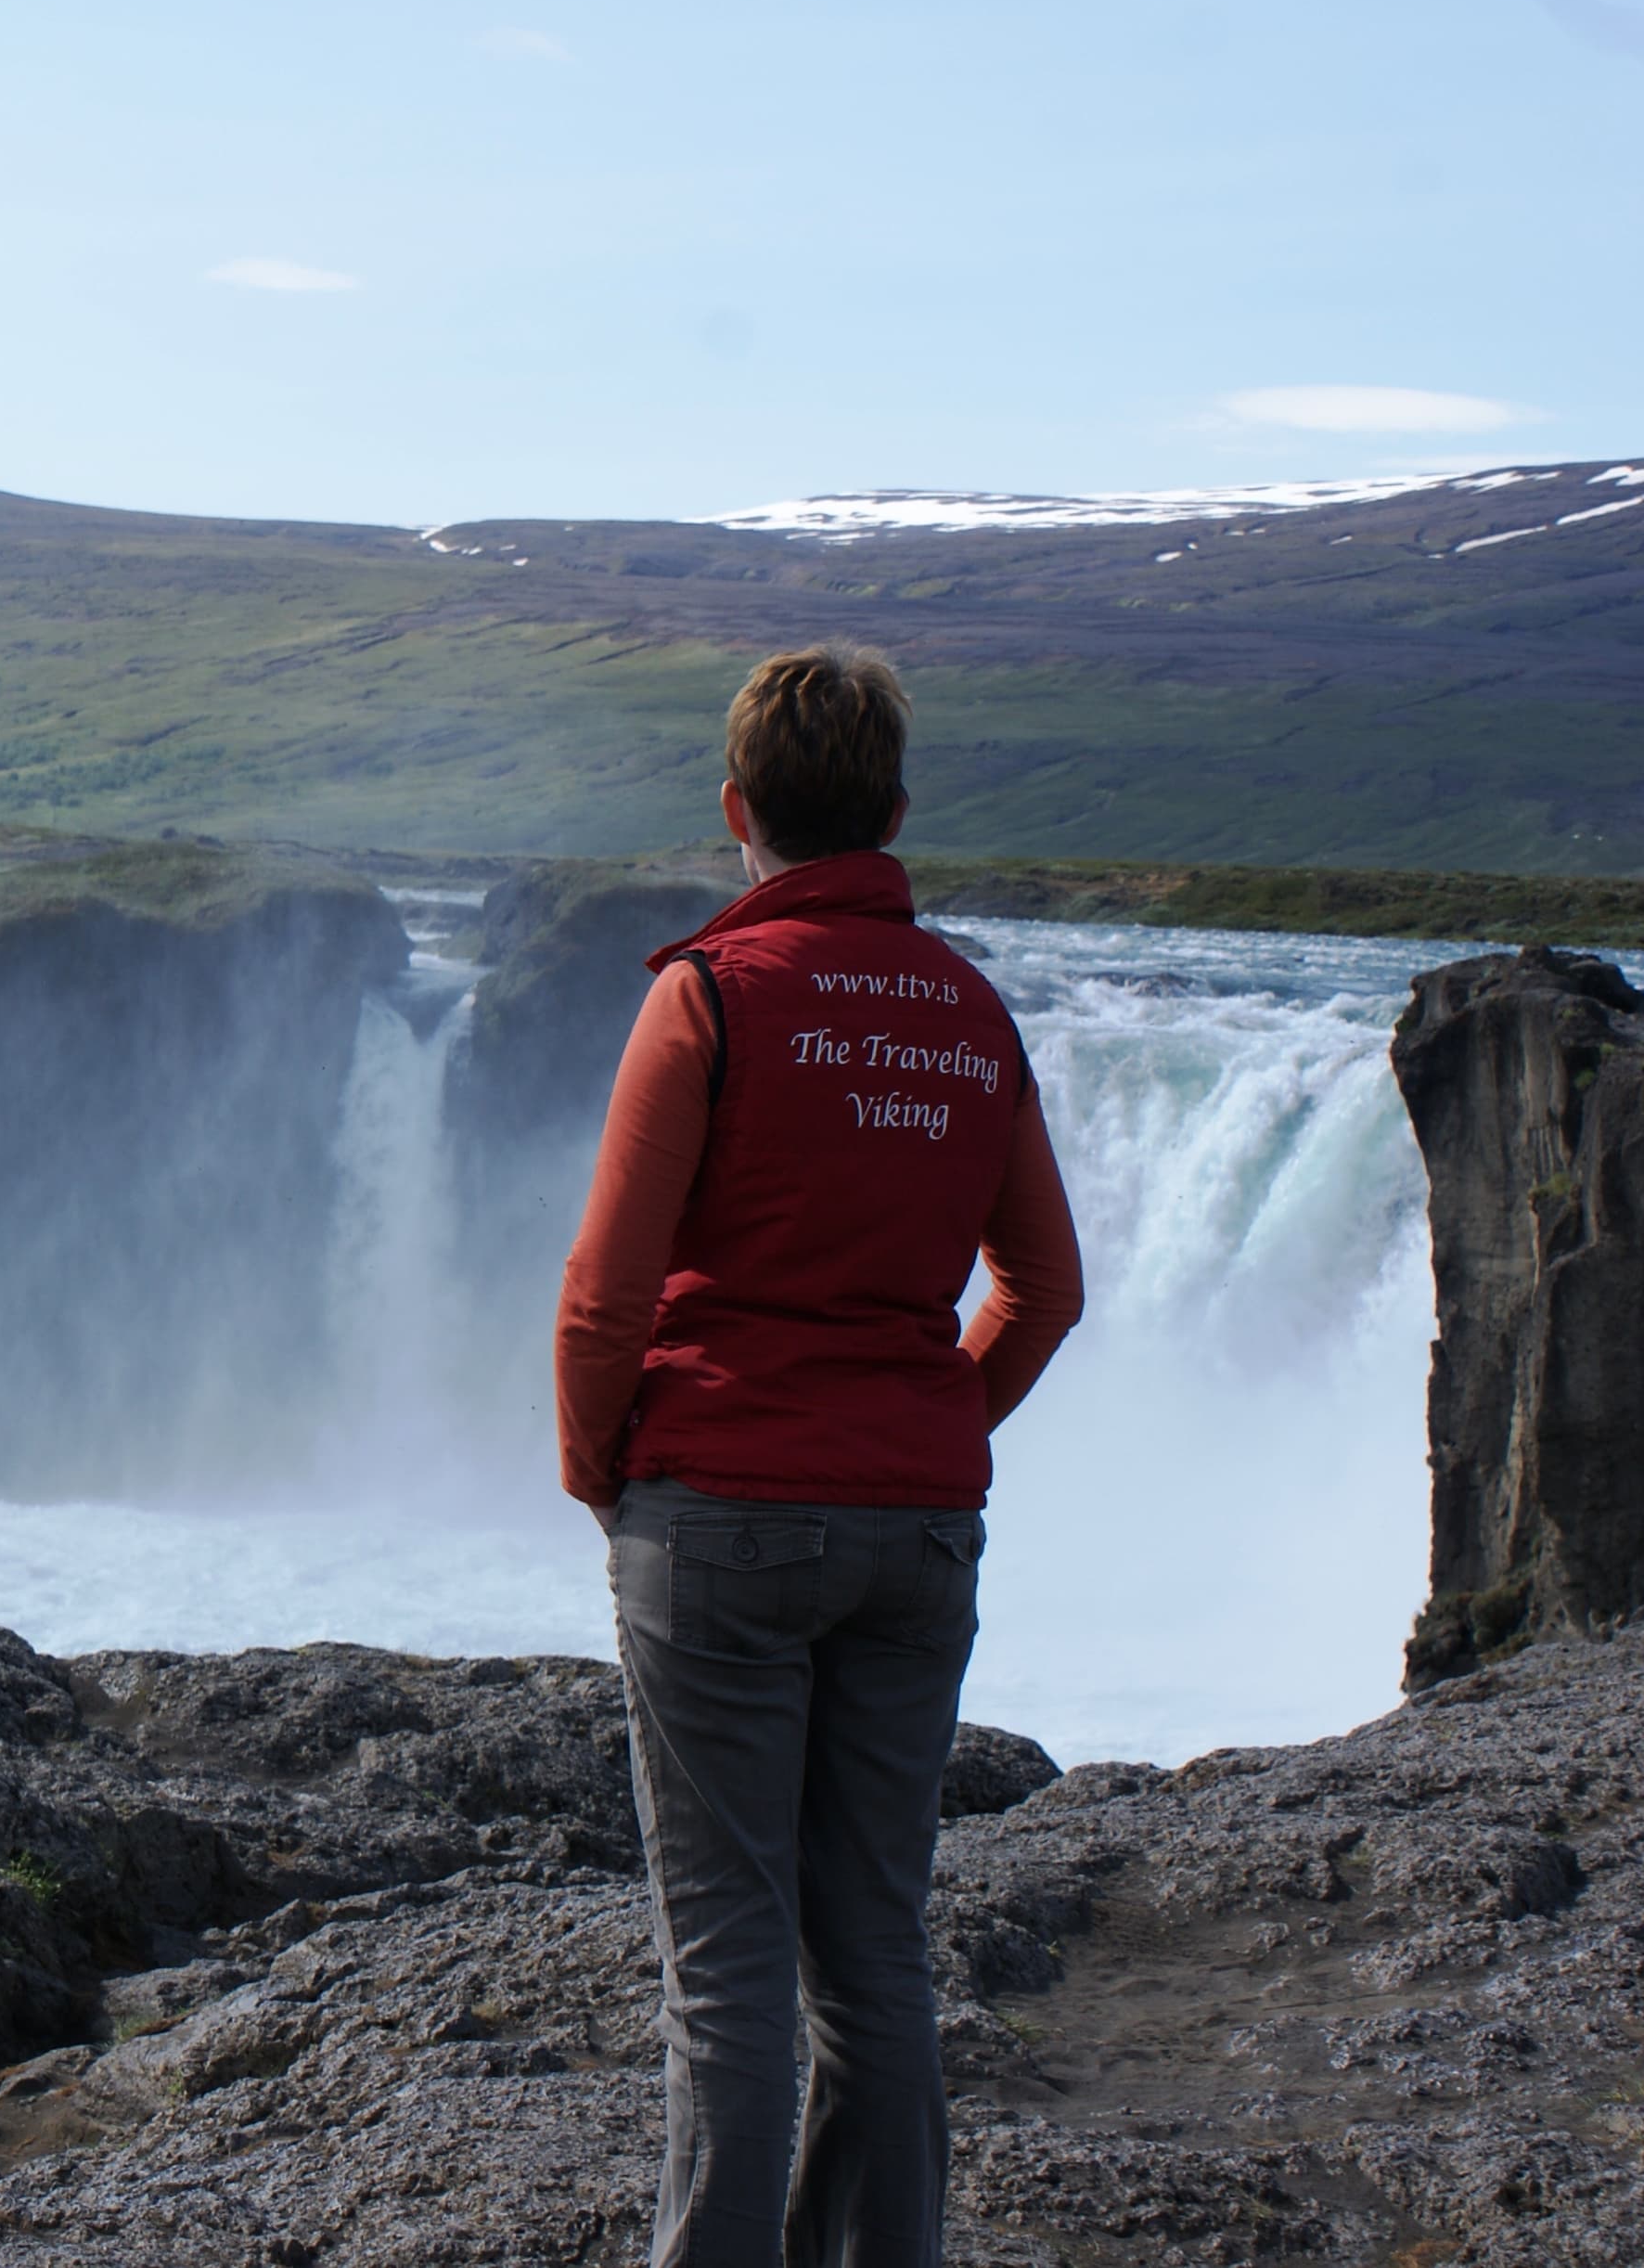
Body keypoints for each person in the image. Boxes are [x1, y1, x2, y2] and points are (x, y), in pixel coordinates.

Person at [553, 643, 1085, 2267]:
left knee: (729, 1967)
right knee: (876, 1952)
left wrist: (608, 1471)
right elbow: (1044, 1291)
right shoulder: (974, 1012)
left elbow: (606, 1299)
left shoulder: (708, 995)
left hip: (713, 1512)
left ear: (737, 813)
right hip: (916, 1529)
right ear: (897, 814)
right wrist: (928, 1433)